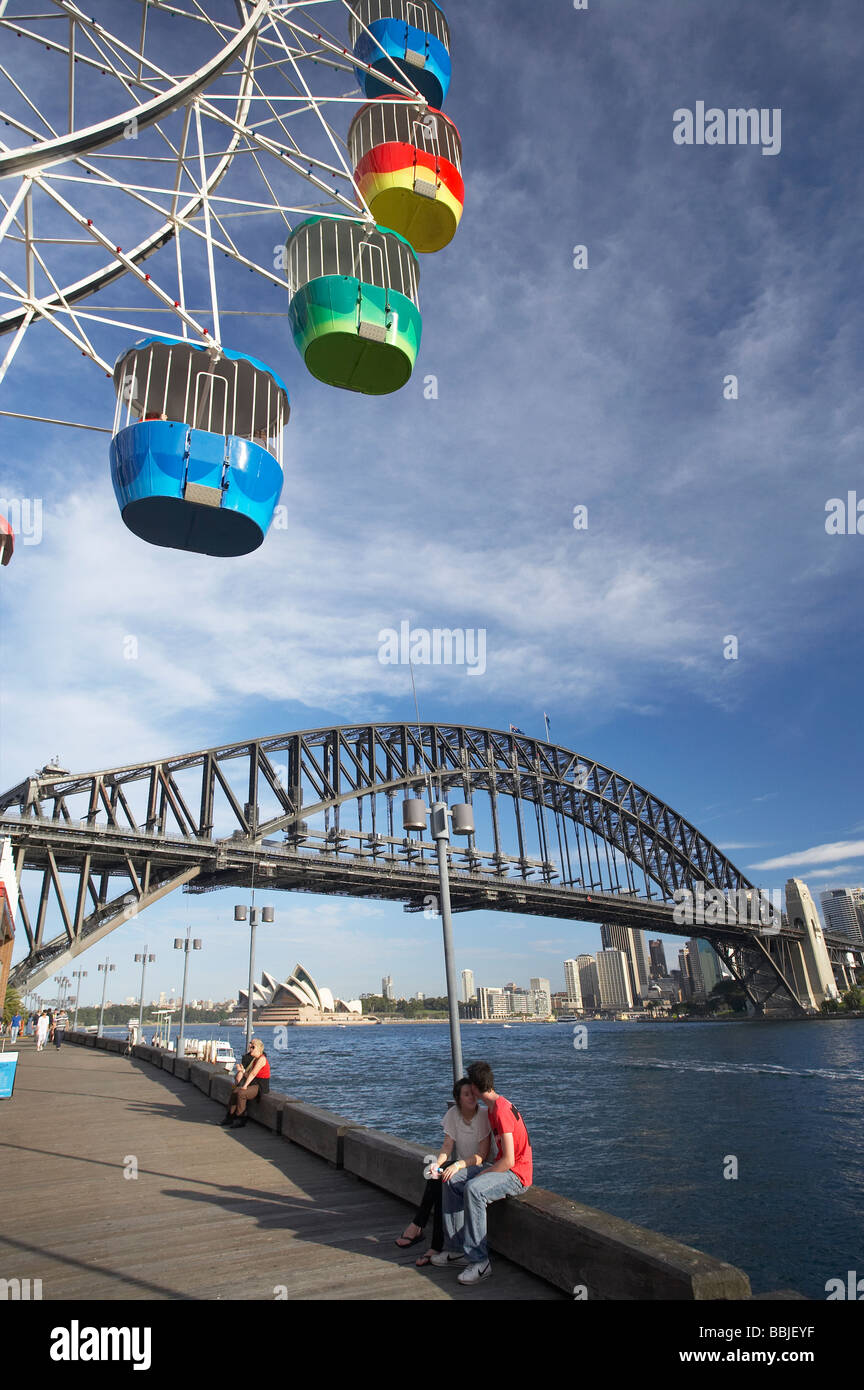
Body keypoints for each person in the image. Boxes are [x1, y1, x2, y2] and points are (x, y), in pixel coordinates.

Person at [437, 1060, 533, 1286]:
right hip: (502, 1167)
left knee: (474, 1189)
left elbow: (510, 1160)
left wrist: (482, 1175)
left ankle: (480, 1262)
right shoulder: (492, 1109)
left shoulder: (500, 1111)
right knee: (451, 1180)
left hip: (517, 1175)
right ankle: (457, 1248)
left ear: (478, 1089)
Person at [396, 1077, 491, 1266]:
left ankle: (421, 1229)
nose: (472, 1097)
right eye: (466, 1094)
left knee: (445, 1178)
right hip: (461, 1166)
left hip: (478, 1168)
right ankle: (431, 1239)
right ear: (458, 1099)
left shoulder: (483, 1115)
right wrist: (437, 1165)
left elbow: (482, 1155)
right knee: (437, 1175)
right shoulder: (453, 1114)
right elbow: (447, 1147)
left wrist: (456, 1166)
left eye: (473, 1093)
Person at [220, 1038, 270, 1129]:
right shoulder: (255, 1059)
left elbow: (253, 1074)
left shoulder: (261, 1059)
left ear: (259, 1048)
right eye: (250, 1045)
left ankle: (241, 1118)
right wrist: (242, 1071)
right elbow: (249, 1075)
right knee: (235, 1091)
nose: (250, 1047)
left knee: (241, 1093)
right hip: (254, 1083)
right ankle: (229, 1117)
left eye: (253, 1046)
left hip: (260, 1086)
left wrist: (245, 1086)